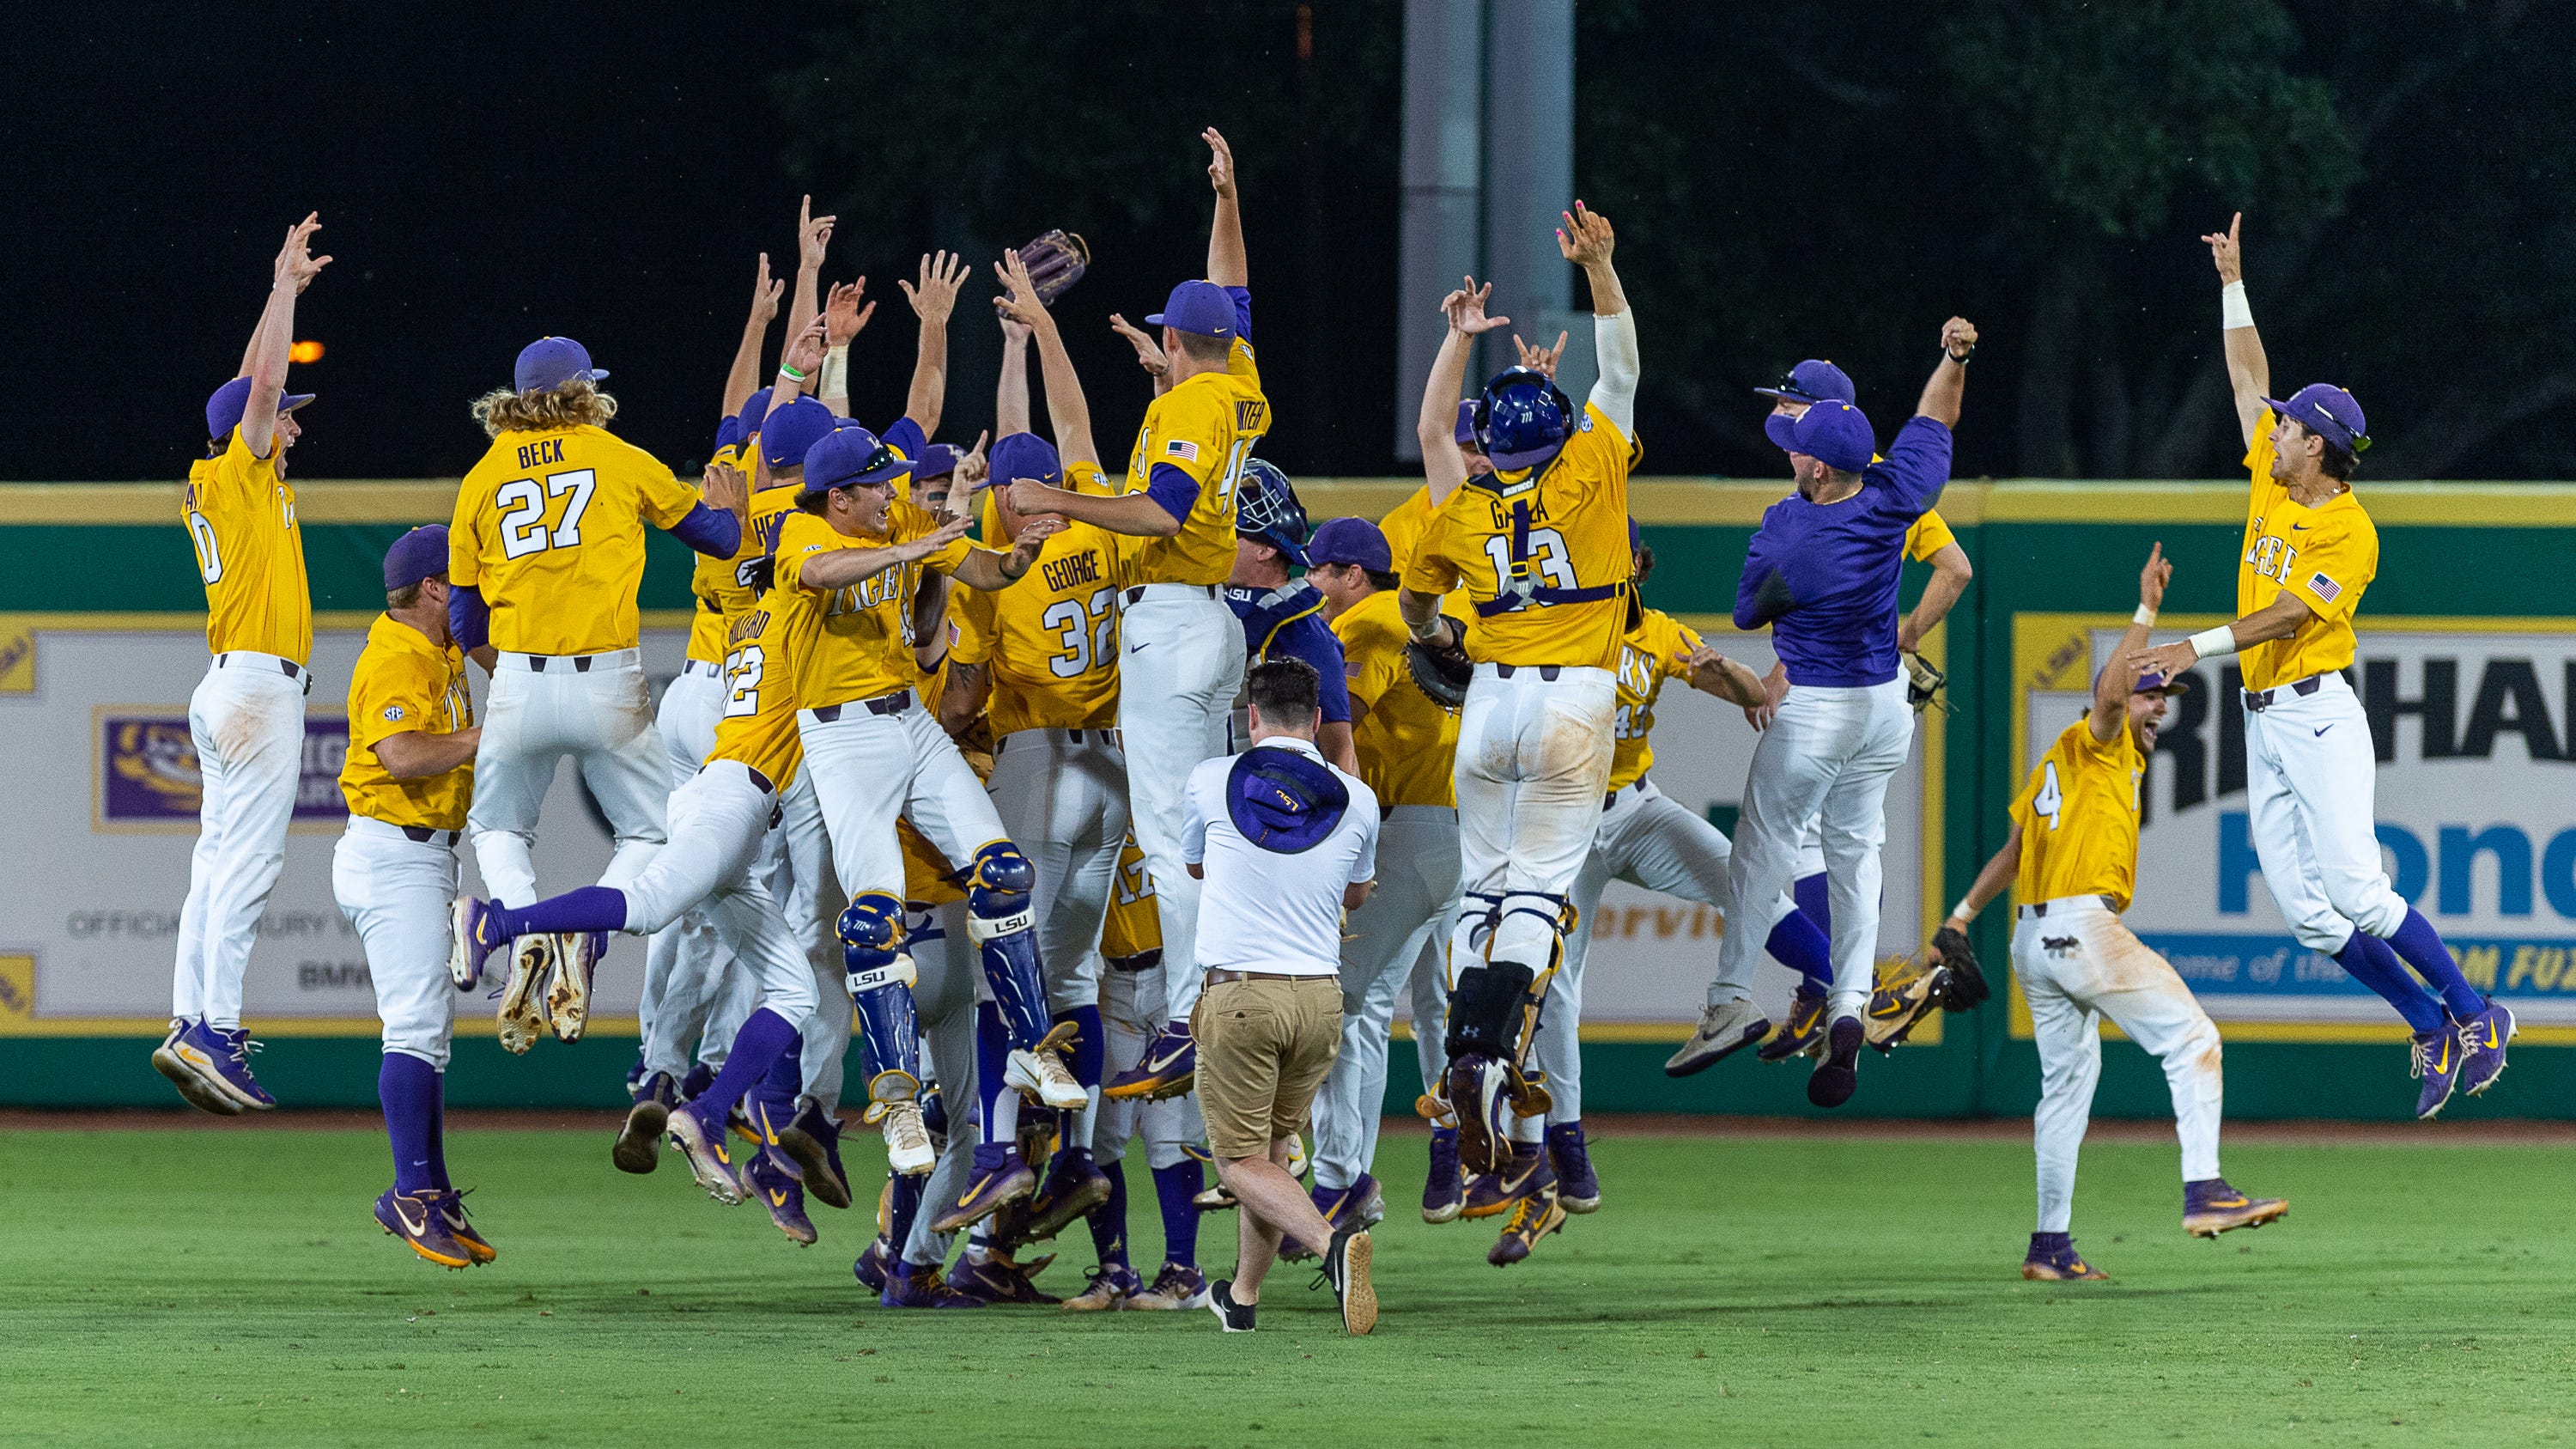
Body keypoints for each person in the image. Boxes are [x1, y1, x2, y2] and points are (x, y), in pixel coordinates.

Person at [2129, 214, 2512, 1118]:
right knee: (2308, 914)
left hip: (2317, 712)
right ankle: (2426, 1019)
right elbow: (2247, 373)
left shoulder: (2350, 527)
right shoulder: (2273, 470)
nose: (2275, 426)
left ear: (2322, 447)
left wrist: (2193, 645)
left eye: (2291, 425)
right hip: (2265, 720)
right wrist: (2232, 280)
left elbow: (2290, 615)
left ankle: (2476, 1012)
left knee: (2358, 892)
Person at [448, 463, 858, 1208]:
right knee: (645, 908)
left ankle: (701, 1114)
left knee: (793, 987)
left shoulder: (751, 608)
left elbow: (751, 567)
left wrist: (736, 525)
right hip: (730, 801)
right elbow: (814, 565)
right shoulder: (806, 610)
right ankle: (497, 920)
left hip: (729, 801)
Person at [775, 424, 1087, 1230]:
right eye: (878, 485)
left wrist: (1015, 550)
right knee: (874, 919)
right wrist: (916, 549)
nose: (894, 493)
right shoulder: (807, 526)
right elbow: (821, 570)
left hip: (906, 719)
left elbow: (987, 567)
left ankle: (1031, 1042)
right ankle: (898, 1100)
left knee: (1003, 869)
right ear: (839, 497)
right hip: (838, 735)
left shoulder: (906, 527)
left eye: (893, 483)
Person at [1947, 544, 2287, 1280]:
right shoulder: (2093, 742)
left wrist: (1959, 916)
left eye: (2163, 697)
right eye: (2151, 695)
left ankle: (2049, 1245)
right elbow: (2108, 689)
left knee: (2066, 1089)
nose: (2159, 705)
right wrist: (2147, 613)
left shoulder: (2061, 768)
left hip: (2033, 940)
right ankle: (2205, 1188)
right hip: (2079, 930)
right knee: (2193, 1035)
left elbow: (2012, 852)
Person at [1009, 129, 1265, 1098]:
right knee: (1203, 826)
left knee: (1166, 837)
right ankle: (1222, 992)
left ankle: (1192, 1017)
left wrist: (1060, 502)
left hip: (1171, 626)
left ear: (1175, 342)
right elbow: (1231, 296)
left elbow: (1160, 509)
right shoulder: (1236, 385)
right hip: (1214, 627)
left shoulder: (1199, 407)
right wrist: (1226, 199)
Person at [1396, 203, 1641, 1178]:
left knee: (1480, 893)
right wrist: (1601, 269)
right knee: (1538, 895)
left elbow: (1417, 608)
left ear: (1490, 442)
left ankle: (1464, 1052)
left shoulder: (1461, 505)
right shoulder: (1590, 461)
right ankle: (1487, 1052)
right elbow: (1619, 368)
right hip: (1574, 698)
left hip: (1488, 697)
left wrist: (1441, 635)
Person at [1498, 527, 1823, 1258]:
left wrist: (1732, 678)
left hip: (1636, 810)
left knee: (1749, 879)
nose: (1612, 565)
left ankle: (1837, 990)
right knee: (1558, 986)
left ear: (1640, 564)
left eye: (1623, 555)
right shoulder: (1547, 621)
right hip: (1562, 826)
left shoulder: (1657, 634)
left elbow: (1746, 691)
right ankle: (1566, 1143)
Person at [1687, 317, 1979, 1110]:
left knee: (1757, 853)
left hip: (1816, 704)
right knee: (1858, 855)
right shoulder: (1896, 490)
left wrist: (1784, 604)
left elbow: (1748, 612)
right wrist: (1951, 356)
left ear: (1818, 461)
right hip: (1884, 706)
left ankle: (1726, 1001)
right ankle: (1849, 1006)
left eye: (1797, 431)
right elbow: (1939, 417)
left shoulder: (1791, 524)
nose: (1785, 436)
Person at [446, 335, 746, 1052]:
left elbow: (462, 619)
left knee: (498, 829)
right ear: (584, 391)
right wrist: (730, 510)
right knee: (650, 834)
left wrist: (512, 673)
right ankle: (581, 927)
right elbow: (718, 540)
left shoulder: (482, 477)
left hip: (519, 675)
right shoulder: (618, 457)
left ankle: (524, 931)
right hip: (608, 681)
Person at [944, 248, 1137, 1240]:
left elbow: (969, 687)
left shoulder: (997, 557)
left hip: (1039, 764)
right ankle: (1072, 1156)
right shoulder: (1092, 518)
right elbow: (1060, 431)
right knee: (1072, 980)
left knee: (999, 964)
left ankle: (993, 1152)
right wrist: (1033, 337)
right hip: (1117, 773)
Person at [154, 213, 329, 1115]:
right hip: (257, 688)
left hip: (229, 684)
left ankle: (189, 1021)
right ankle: (216, 1029)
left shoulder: (227, 479)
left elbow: (247, 387)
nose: (291, 426)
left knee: (214, 866)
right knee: (246, 867)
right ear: (252, 433)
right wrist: (286, 289)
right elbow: (257, 390)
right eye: (283, 418)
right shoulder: (240, 470)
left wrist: (277, 287)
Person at [1188, 659, 1379, 1336]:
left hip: (1242, 995)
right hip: (1320, 1002)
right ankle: (1241, 1298)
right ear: (1319, 721)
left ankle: (1332, 1249)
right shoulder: (1358, 798)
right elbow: (1357, 892)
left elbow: (1195, 862)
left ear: (1251, 717)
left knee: (1238, 1163)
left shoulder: (1213, 780)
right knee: (1269, 1158)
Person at [331, 527, 488, 1268]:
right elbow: (400, 755)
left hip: (415, 852)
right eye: (456, 581)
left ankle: (434, 1190)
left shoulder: (437, 645)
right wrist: (483, 737)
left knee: (428, 1032)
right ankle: (409, 1193)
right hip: (395, 851)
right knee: (414, 1029)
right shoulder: (397, 654)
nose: (466, 589)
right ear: (431, 588)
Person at [1302, 515, 1464, 1231]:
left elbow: (1340, 725)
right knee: (1362, 1010)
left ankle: (1337, 1178)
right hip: (1443, 829)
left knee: (1334, 997)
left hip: (1405, 829)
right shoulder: (1411, 615)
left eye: (1320, 570)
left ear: (1352, 576)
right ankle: (1346, 1179)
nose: (1311, 582)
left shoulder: (1365, 621)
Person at [1060, 833, 1211, 1311]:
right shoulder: (1094, 806)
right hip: (1108, 982)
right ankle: (1114, 1271)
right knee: (1100, 1137)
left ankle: (1183, 1271)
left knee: (1171, 1136)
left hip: (1178, 980)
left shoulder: (1167, 801)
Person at [1225, 461, 1357, 770]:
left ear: (1266, 550)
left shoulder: (1302, 632)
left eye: (1230, 532)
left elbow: (1339, 747)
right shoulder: (1210, 605)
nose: (1216, 542)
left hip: (1265, 799)